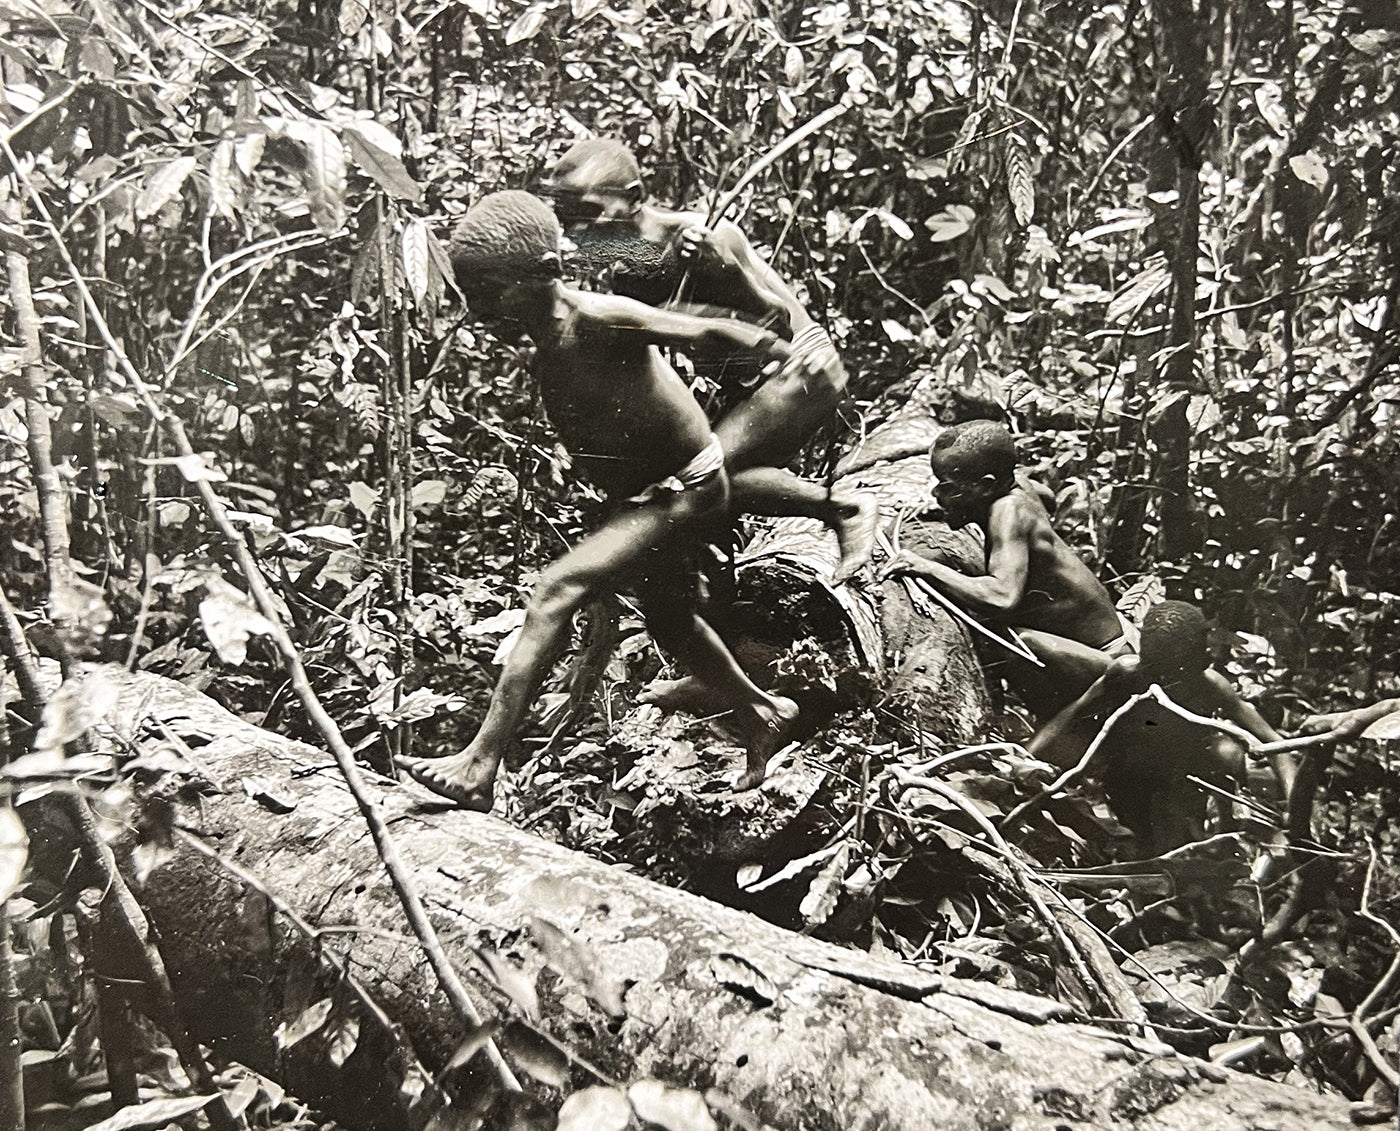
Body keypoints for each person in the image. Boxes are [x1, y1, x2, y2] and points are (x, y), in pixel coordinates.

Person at [397, 191, 800, 809]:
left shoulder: (597, 317)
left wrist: (772, 348)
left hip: (685, 489)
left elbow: (702, 329)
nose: (477, 306)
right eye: (471, 291)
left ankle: (480, 764)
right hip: (650, 492)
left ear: (535, 278)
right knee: (671, 620)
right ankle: (763, 713)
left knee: (553, 592)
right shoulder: (550, 331)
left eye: (488, 290)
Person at [540, 139, 878, 587]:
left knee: (701, 481)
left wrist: (728, 271)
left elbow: (777, 320)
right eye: (570, 219)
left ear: (636, 197)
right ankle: (732, 580)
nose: (580, 230)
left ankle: (842, 507)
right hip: (751, 387)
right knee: (712, 485)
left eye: (591, 212)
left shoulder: (705, 235)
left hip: (801, 368)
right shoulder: (626, 262)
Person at [878, 420, 1136, 718]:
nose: (938, 493)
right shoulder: (1017, 485)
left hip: (1107, 665)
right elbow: (1047, 498)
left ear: (988, 486)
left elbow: (1002, 597)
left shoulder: (1007, 511)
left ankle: (1053, 720)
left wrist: (923, 567)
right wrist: (960, 503)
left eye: (948, 486)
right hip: (1111, 642)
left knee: (1012, 641)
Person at [1027, 601, 1300, 856]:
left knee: (1226, 754)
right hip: (1129, 771)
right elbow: (1071, 716)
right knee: (1142, 845)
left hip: (1185, 772)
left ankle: (1223, 831)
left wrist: (1295, 803)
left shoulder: (1210, 686)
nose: (1208, 655)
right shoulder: (1127, 674)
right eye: (1200, 651)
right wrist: (1026, 758)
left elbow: (1273, 743)